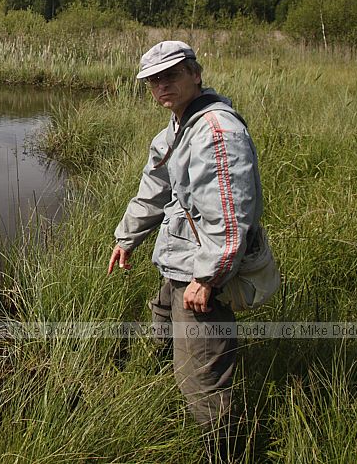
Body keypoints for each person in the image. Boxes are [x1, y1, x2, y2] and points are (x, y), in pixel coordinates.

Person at [107, 40, 264, 462]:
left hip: (200, 273)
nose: (162, 86)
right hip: (177, 263)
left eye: (171, 75)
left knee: (202, 379)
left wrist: (207, 278)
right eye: (153, 80)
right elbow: (154, 191)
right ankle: (159, 403)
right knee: (161, 331)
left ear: (195, 74)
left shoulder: (216, 132)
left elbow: (230, 216)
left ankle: (225, 452)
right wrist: (127, 238)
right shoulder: (177, 128)